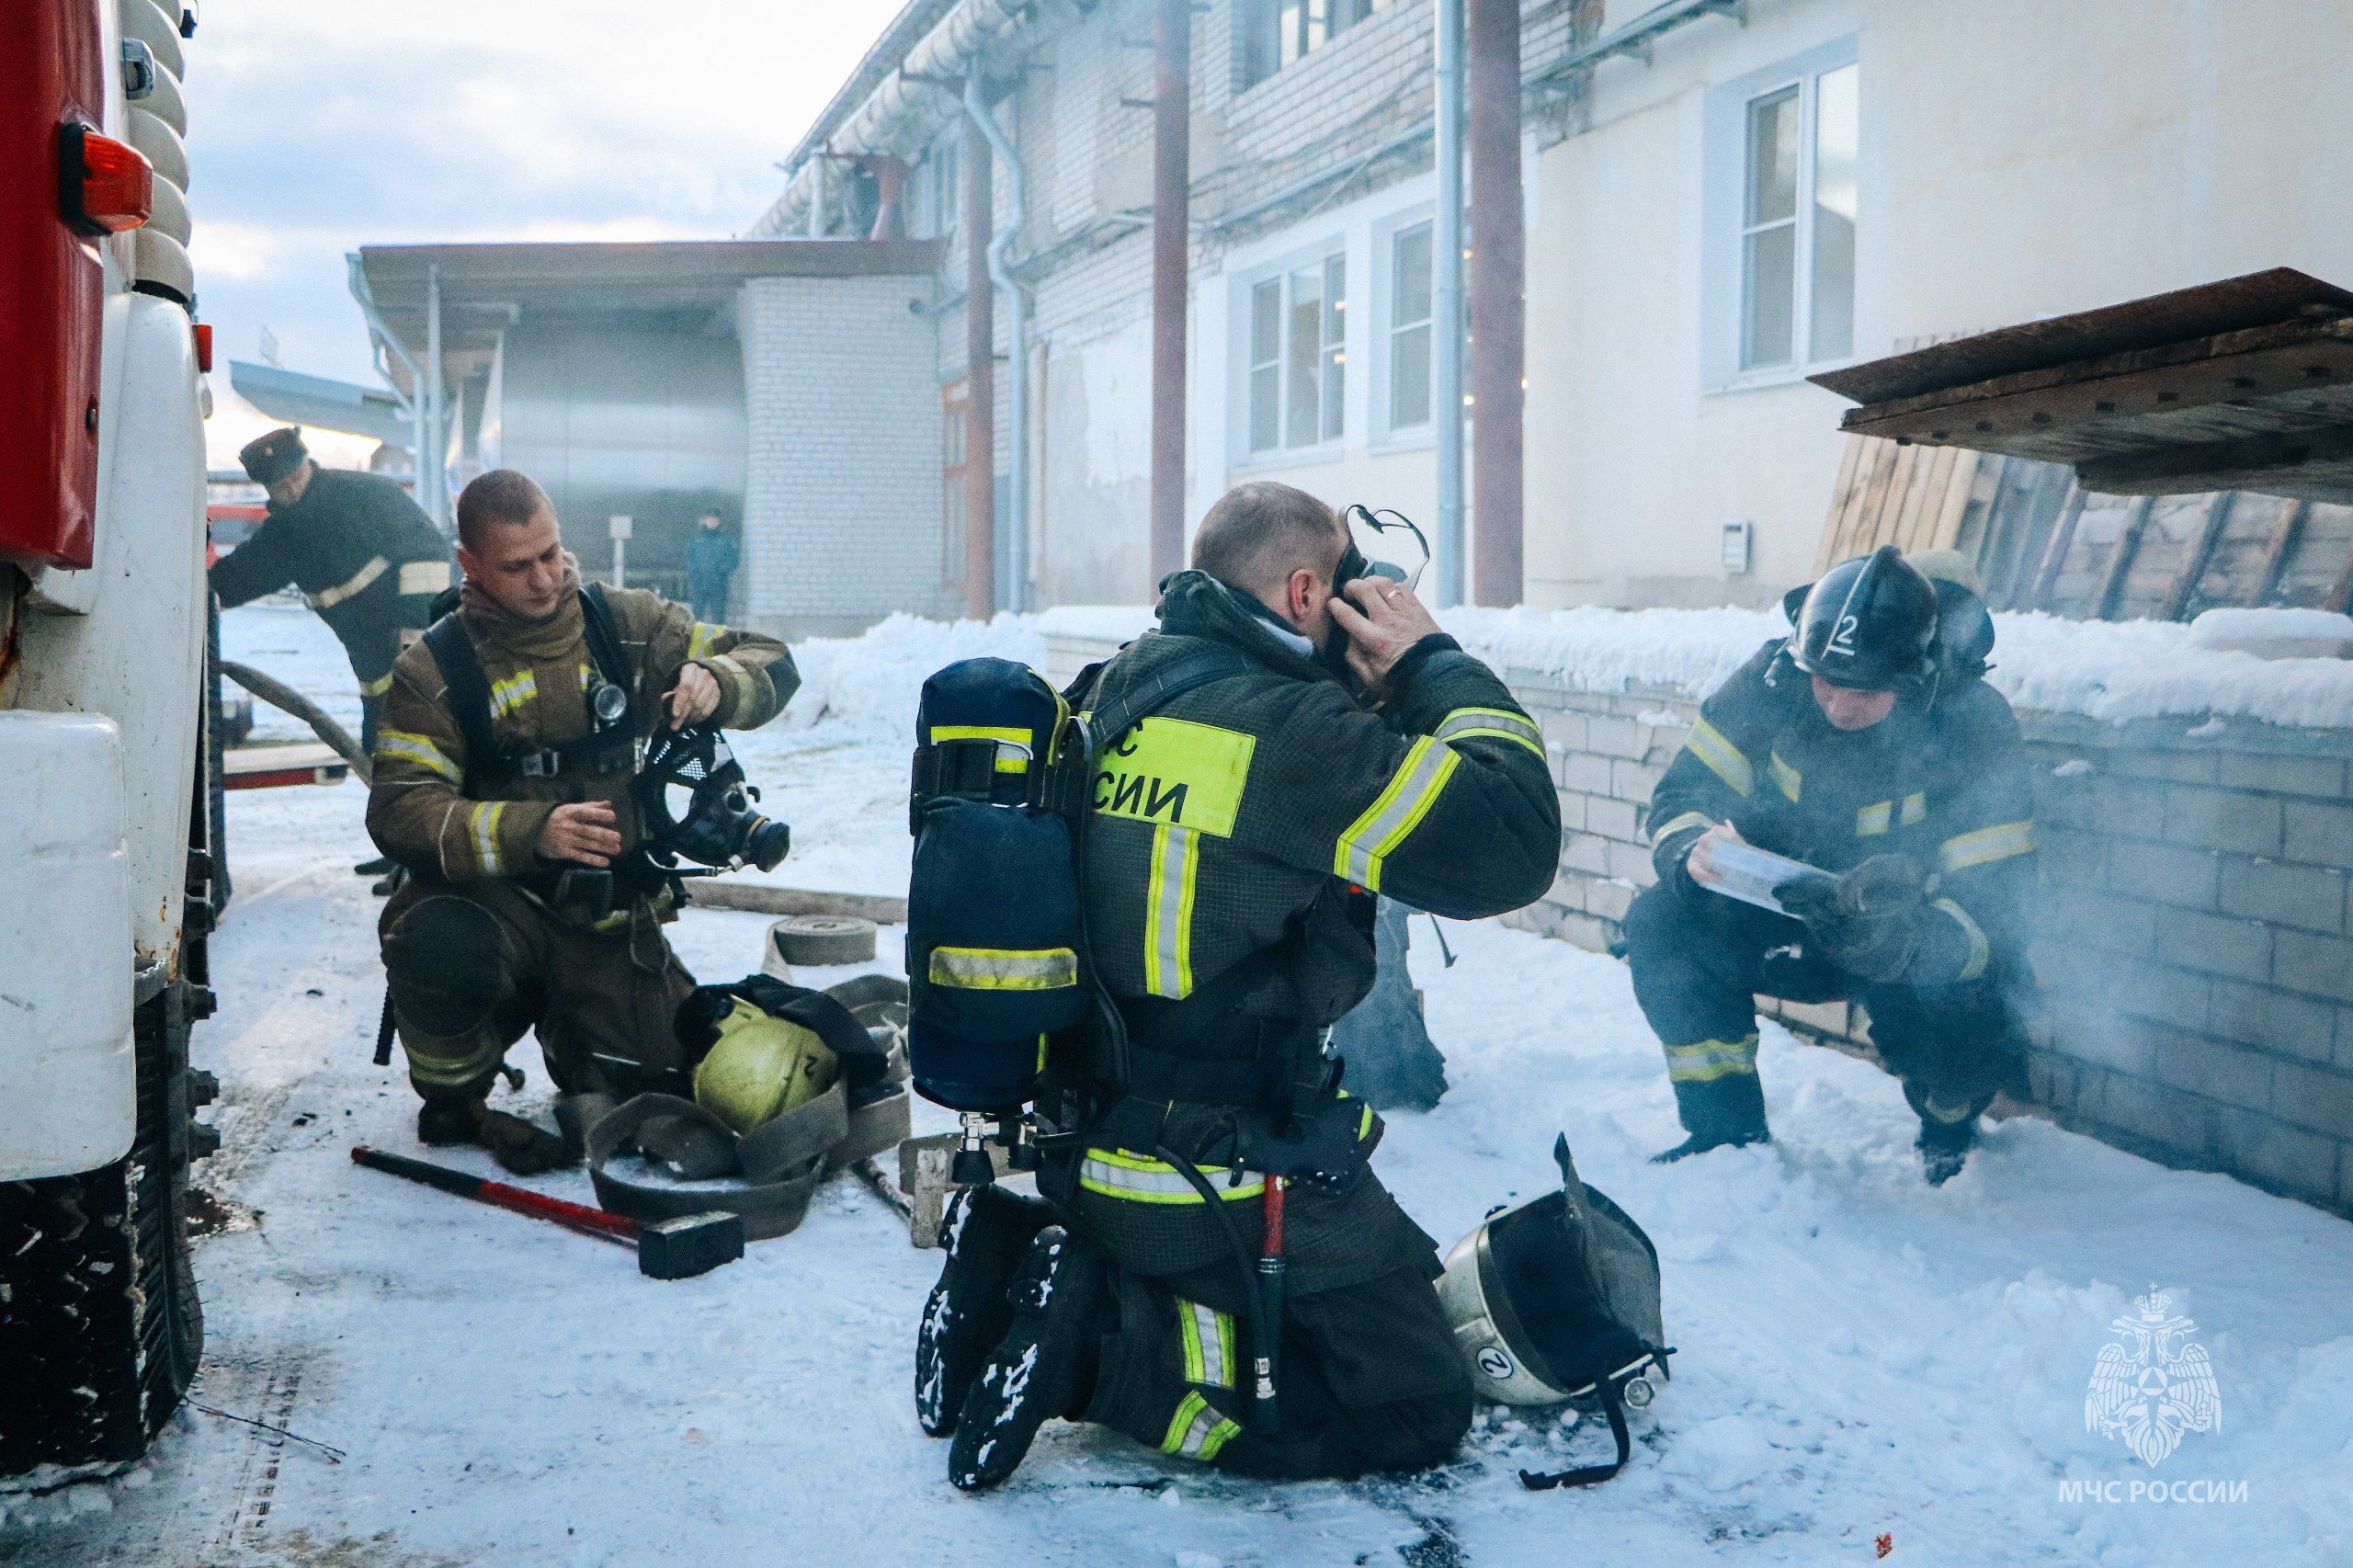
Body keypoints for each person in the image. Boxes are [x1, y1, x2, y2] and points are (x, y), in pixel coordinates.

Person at [923, 481, 1561, 1489]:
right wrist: (1431, 661)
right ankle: (1100, 1353)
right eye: (1352, 573)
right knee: (1411, 1403)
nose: (1366, 590)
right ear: (1307, 590)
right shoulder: (1289, 733)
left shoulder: (1115, 688)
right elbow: (1512, 842)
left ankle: (1025, 1258)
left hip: (1085, 1137)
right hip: (1212, 1166)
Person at [363, 469, 797, 1174]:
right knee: (435, 940)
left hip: (608, 926)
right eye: (517, 565)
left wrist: (717, 680)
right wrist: (530, 831)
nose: (544, 579)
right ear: (469, 563)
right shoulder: (432, 670)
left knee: (659, 1089)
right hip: (498, 910)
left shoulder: (623, 627)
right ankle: (455, 1091)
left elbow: (772, 658)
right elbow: (399, 810)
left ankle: (581, 1034)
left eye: (551, 553)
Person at [1625, 545, 2037, 1185]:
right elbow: (1684, 795)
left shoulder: (1971, 723)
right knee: (1661, 921)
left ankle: (1948, 1123)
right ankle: (1725, 1134)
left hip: (1907, 945)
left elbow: (2001, 895)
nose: (1842, 706)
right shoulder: (1770, 682)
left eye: (1868, 690)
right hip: (1781, 919)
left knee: (1967, 1031)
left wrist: (1914, 944)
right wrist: (1692, 849)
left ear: (1917, 674)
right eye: (1827, 682)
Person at [212, 427, 454, 881]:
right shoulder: (286, 535)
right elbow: (238, 577)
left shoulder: (366, 495)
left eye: (294, 476)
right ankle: (401, 852)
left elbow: (427, 550)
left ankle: (429, 860)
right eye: (279, 486)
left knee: (425, 754)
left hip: (417, 655)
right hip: (372, 667)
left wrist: (416, 629)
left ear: (308, 462)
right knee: (381, 756)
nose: (291, 489)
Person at [684, 510, 739, 624]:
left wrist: (721, 572)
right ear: (705, 520)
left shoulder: (726, 540)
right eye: (709, 519)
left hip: (719, 584)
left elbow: (733, 560)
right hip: (699, 584)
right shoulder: (696, 539)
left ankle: (718, 641)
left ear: (719, 521)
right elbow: (688, 558)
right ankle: (696, 641)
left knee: (718, 619)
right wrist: (695, 572)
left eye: (715, 519)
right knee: (696, 618)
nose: (712, 521)